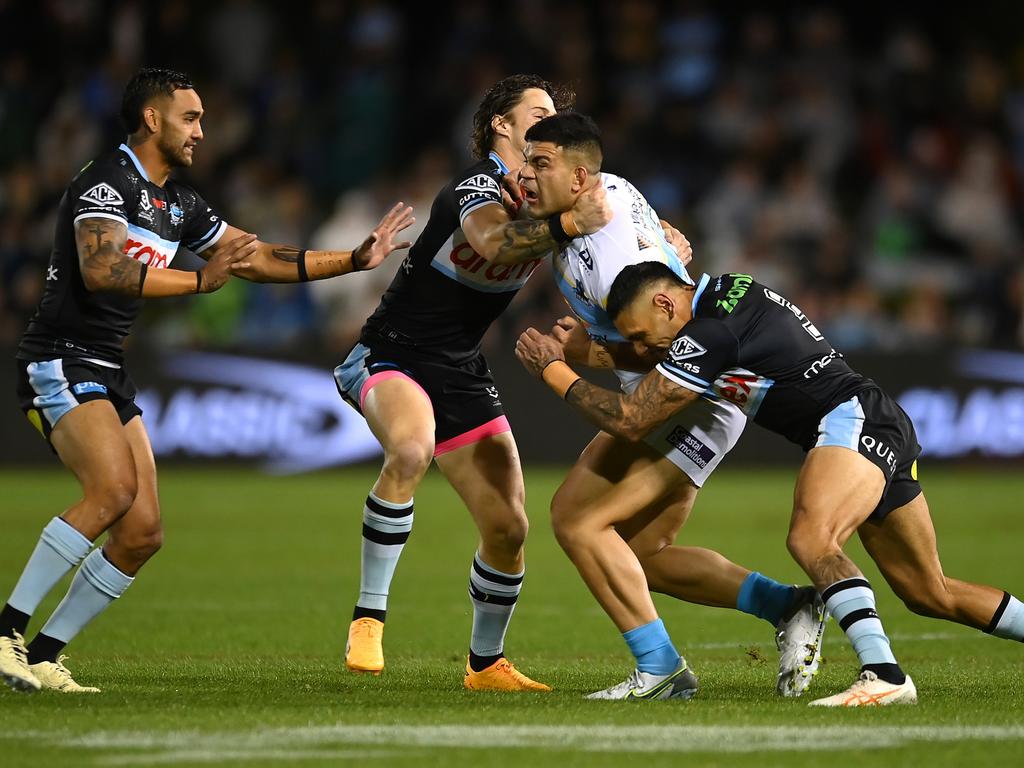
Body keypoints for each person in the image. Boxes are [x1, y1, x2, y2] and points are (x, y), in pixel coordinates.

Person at [0, 68, 415, 694]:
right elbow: (101, 268)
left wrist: (353, 261)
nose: (201, 130)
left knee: (141, 534)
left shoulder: (180, 204)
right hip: (60, 357)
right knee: (111, 491)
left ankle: (41, 654)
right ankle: (5, 631)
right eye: (190, 118)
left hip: (108, 367)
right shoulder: (106, 182)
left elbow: (256, 257)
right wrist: (200, 280)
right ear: (151, 119)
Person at [517, 260, 1024, 706]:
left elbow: (631, 418)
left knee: (811, 537)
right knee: (928, 592)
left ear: (667, 303)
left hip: (850, 421)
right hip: (874, 420)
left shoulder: (708, 333)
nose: (642, 346)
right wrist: (597, 352)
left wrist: (554, 371)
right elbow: (671, 357)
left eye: (641, 333)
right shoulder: (724, 296)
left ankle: (885, 675)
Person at [510, 112, 827, 701]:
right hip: (684, 393)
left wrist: (569, 359)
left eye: (540, 164)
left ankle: (661, 669)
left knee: (579, 523)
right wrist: (671, 247)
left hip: (690, 402)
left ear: (580, 178)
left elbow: (662, 358)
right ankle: (791, 606)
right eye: (527, 161)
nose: (525, 174)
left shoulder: (615, 270)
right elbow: (663, 247)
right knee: (642, 555)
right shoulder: (612, 192)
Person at [333, 75, 621, 691]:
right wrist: (571, 227)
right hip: (393, 354)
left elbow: (621, 233)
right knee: (409, 449)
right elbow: (492, 238)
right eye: (537, 112)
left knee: (510, 527)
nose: (550, 121)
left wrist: (661, 243)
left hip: (460, 366)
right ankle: (368, 617)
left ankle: (485, 666)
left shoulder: (547, 201)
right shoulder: (477, 187)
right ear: (500, 124)